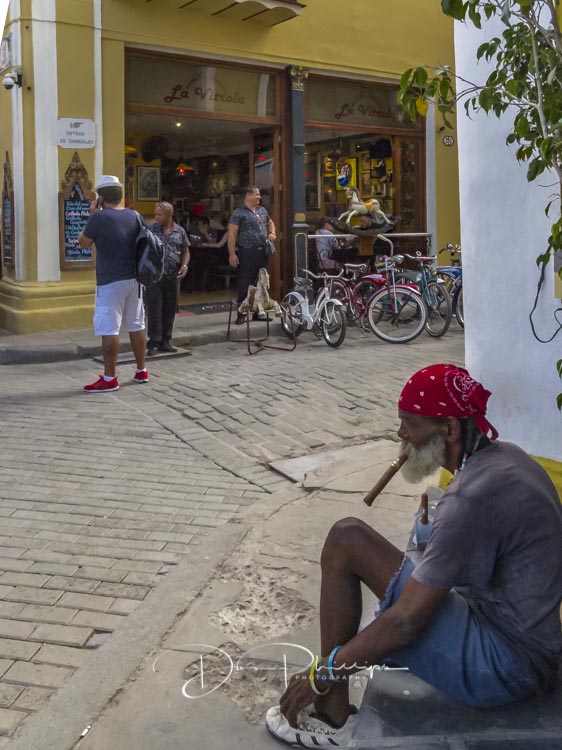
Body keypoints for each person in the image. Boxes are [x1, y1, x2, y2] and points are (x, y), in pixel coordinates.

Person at [266, 363, 562, 748]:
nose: (401, 434)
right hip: (532, 645)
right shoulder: (509, 456)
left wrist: (324, 673)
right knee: (361, 544)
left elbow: (405, 622)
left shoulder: (468, 499)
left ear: (450, 429)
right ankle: (334, 697)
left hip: (508, 667)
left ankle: (329, 714)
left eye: (410, 423)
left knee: (346, 541)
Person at [79, 175, 148, 392]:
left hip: (110, 281)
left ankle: (110, 378)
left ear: (101, 197)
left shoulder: (99, 218)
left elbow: (83, 242)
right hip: (134, 279)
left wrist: (93, 214)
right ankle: (141, 370)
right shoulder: (135, 216)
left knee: (109, 328)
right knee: (136, 325)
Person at [145, 202, 190, 355]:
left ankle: (166, 340)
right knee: (154, 308)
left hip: (172, 274)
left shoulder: (179, 231)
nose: (156, 217)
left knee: (169, 309)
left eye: (160, 215)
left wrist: (184, 265)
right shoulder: (150, 230)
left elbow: (185, 251)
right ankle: (154, 342)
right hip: (154, 275)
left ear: (169, 216)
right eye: (155, 214)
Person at [227, 186, 276, 325]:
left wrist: (272, 232)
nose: (259, 197)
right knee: (245, 282)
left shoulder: (262, 210)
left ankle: (258, 312)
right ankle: (241, 313)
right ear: (248, 196)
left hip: (262, 251)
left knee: (261, 281)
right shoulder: (239, 213)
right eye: (257, 194)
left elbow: (270, 222)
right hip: (247, 251)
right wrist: (232, 254)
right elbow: (232, 233)